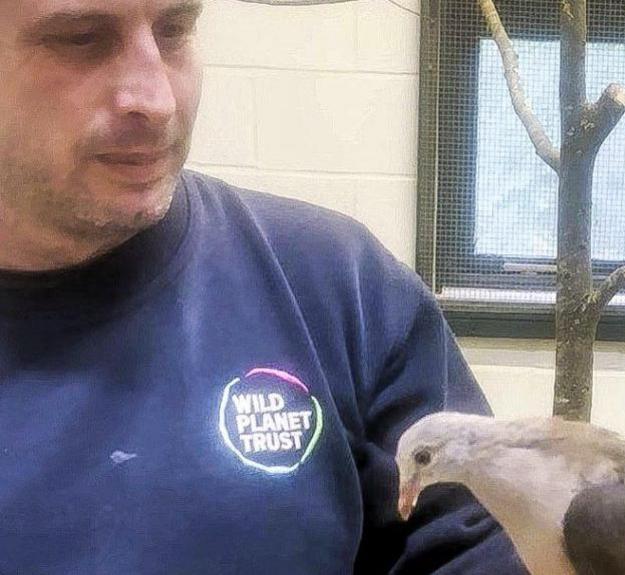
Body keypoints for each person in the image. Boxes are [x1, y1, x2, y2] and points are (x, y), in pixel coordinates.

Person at [0, 1, 528, 573]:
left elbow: (476, 547)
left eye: (174, 30)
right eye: (82, 39)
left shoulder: (341, 287)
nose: (157, 100)